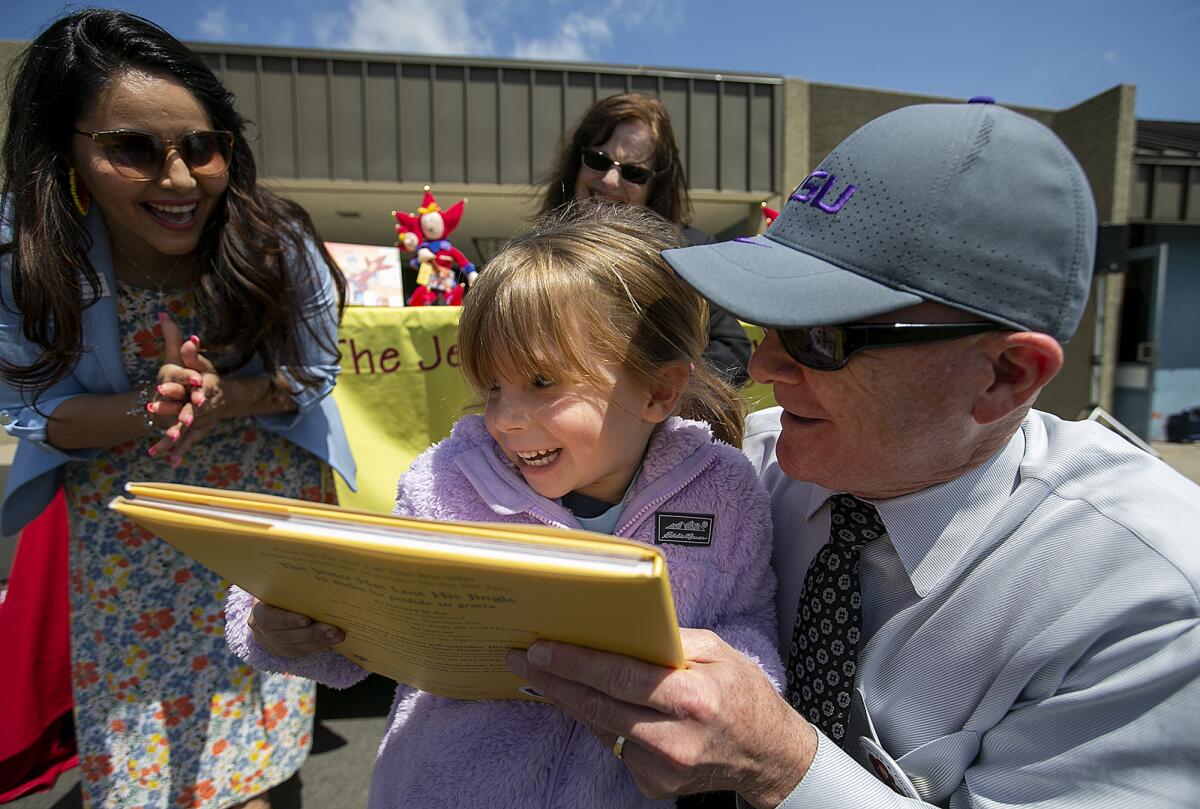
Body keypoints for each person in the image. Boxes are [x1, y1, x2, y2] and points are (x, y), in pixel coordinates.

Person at [506, 100, 1200, 807]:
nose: (768, 366)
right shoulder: (737, 467)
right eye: (769, 320)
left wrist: (782, 768)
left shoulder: (1150, 604)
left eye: (822, 338)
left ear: (1005, 375)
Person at [224, 202, 781, 808]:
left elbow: (748, 626)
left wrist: (715, 688)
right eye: (493, 385)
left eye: (542, 383)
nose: (506, 420)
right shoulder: (446, 484)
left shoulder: (723, 491)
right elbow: (367, 608)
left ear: (659, 390)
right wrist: (281, 622)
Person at [0, 9, 356, 808]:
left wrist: (224, 398)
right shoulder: (28, 259)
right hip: (130, 536)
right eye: (133, 148)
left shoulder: (272, 239)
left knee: (252, 755)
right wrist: (146, 408)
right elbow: (35, 412)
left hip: (259, 519)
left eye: (201, 146)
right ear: (69, 153)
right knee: (134, 765)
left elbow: (316, 373)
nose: (179, 179)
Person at [538, 92, 753, 387]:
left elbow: (733, 353)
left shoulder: (689, 252)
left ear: (656, 185)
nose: (610, 181)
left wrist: (651, 390)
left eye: (634, 172)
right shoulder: (536, 249)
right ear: (577, 161)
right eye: (597, 160)